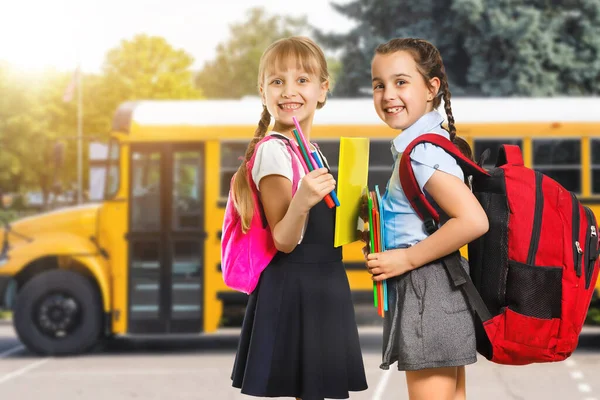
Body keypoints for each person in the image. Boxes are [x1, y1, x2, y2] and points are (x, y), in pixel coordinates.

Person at [229, 36, 368, 400]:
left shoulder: (312, 151)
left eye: (302, 80)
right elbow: (283, 239)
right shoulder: (274, 151)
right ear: (263, 92)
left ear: (323, 90)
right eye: (277, 81)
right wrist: (303, 200)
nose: (289, 90)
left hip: (321, 283)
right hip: (296, 285)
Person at [365, 38, 489, 400]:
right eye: (379, 85)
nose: (388, 94)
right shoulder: (430, 143)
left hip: (426, 287)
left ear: (432, 88)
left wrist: (405, 257)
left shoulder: (421, 154)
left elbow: (472, 221)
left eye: (401, 82)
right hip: (443, 284)